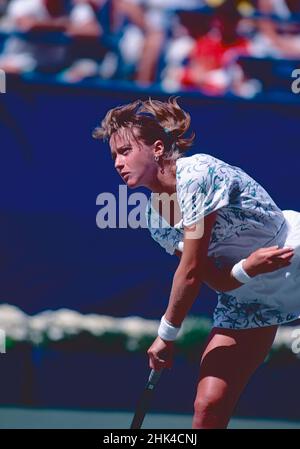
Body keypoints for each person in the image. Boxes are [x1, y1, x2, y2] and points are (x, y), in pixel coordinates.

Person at [93, 97, 300, 429]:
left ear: (157, 148)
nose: (118, 162)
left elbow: (189, 272)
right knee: (209, 405)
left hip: (293, 256)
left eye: (125, 151)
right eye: (114, 155)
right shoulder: (155, 220)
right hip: (247, 298)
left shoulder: (198, 174)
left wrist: (165, 335)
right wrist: (249, 267)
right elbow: (216, 281)